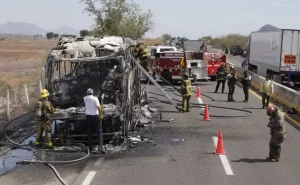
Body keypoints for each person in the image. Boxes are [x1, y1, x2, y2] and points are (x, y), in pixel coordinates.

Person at [83, 88, 105, 154]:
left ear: (87, 93)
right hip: (95, 117)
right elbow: (99, 107)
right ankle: (100, 147)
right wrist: (101, 114)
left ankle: (90, 148)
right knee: (99, 131)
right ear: (92, 93)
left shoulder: (85, 98)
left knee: (90, 133)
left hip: (88, 117)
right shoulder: (95, 98)